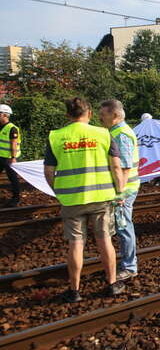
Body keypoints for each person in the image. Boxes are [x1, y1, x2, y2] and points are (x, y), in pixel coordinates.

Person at [44, 98, 125, 302]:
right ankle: (112, 284)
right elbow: (116, 167)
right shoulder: (103, 134)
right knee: (105, 240)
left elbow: (48, 171)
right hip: (101, 198)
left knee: (76, 244)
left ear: (67, 115)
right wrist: (120, 192)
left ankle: (74, 291)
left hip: (71, 200)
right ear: (88, 113)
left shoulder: (56, 137)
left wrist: (59, 190)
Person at [99, 99, 140, 281]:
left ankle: (130, 267)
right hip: (124, 187)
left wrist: (120, 193)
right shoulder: (115, 131)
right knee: (122, 226)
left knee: (124, 227)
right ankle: (126, 263)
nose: (100, 117)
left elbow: (124, 167)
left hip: (125, 189)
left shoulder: (121, 134)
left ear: (114, 116)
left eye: (103, 114)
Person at [0, 104, 21, 207]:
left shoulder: (12, 128)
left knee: (13, 178)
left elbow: (13, 145)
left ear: (4, 115)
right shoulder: (1, 127)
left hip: (9, 158)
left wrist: (13, 158)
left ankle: (16, 198)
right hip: (0, 157)